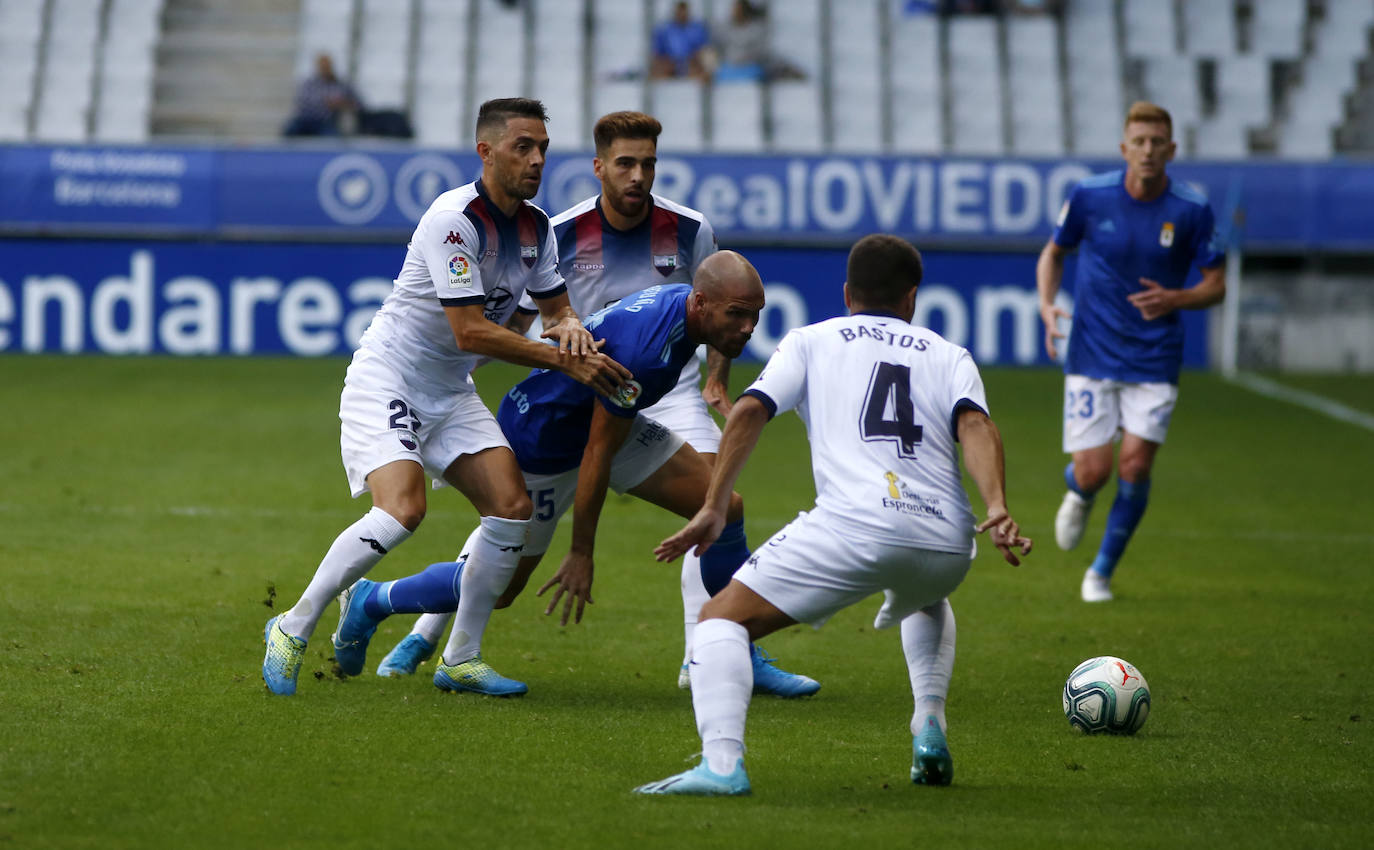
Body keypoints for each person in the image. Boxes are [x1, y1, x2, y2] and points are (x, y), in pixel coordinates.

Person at [374, 111, 818, 698]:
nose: (638, 176)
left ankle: (720, 652)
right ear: (599, 167)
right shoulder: (556, 229)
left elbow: (721, 308)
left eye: (648, 164)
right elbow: (525, 315)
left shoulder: (691, 231)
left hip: (667, 391)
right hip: (578, 399)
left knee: (718, 505)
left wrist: (714, 380)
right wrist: (475, 371)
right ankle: (422, 630)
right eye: (626, 163)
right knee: (507, 545)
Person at [634, 234, 1032, 796]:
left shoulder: (812, 341)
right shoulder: (950, 355)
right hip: (947, 540)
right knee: (925, 593)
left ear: (847, 293)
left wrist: (714, 505)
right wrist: (996, 506)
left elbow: (750, 411)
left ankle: (721, 766)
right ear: (912, 298)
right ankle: (929, 721)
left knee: (720, 621)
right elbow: (975, 426)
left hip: (857, 526)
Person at [261, 97, 631, 696]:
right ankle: (293, 624)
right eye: (523, 147)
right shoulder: (453, 219)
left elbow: (556, 310)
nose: (537, 159)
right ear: (486, 152)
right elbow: (470, 331)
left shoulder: (537, 228)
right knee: (403, 510)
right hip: (390, 375)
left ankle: (459, 657)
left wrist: (575, 334)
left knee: (511, 508)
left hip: (449, 390)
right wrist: (566, 360)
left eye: (542, 147)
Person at [330, 258, 814, 697]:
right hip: (544, 441)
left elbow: (609, 435)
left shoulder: (681, 307)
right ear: (703, 303)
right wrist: (581, 552)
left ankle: (737, 644)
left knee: (725, 508)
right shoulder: (646, 353)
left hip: (606, 420)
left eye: (755, 314)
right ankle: (374, 599)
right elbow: (597, 456)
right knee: (500, 589)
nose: (749, 328)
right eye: (737, 314)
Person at [1037, 101, 1225, 603]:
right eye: (1139, 141)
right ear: (1124, 148)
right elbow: (1055, 252)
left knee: (1136, 467)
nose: (1147, 150)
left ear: (1171, 148)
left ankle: (1099, 572)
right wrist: (1046, 302)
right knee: (1096, 471)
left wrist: (1176, 298)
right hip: (1093, 351)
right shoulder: (1090, 196)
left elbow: (1217, 284)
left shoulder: (1191, 209)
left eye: (1157, 142)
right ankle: (1078, 489)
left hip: (1155, 354)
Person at [283, 53, 360, 137]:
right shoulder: (309, 83)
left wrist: (342, 103)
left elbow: (357, 102)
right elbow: (302, 102)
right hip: (305, 120)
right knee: (289, 131)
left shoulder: (341, 84)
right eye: (322, 66)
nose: (325, 68)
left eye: (327, 66)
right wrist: (325, 103)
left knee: (331, 138)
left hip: (325, 121)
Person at [651, 1, 711, 80]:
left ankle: (703, 88)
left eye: (684, 10)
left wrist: (693, 59)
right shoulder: (664, 30)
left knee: (707, 60)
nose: (682, 14)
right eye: (680, 10)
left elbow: (704, 49)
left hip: (692, 63)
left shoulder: (698, 29)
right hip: (670, 64)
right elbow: (658, 52)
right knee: (657, 67)